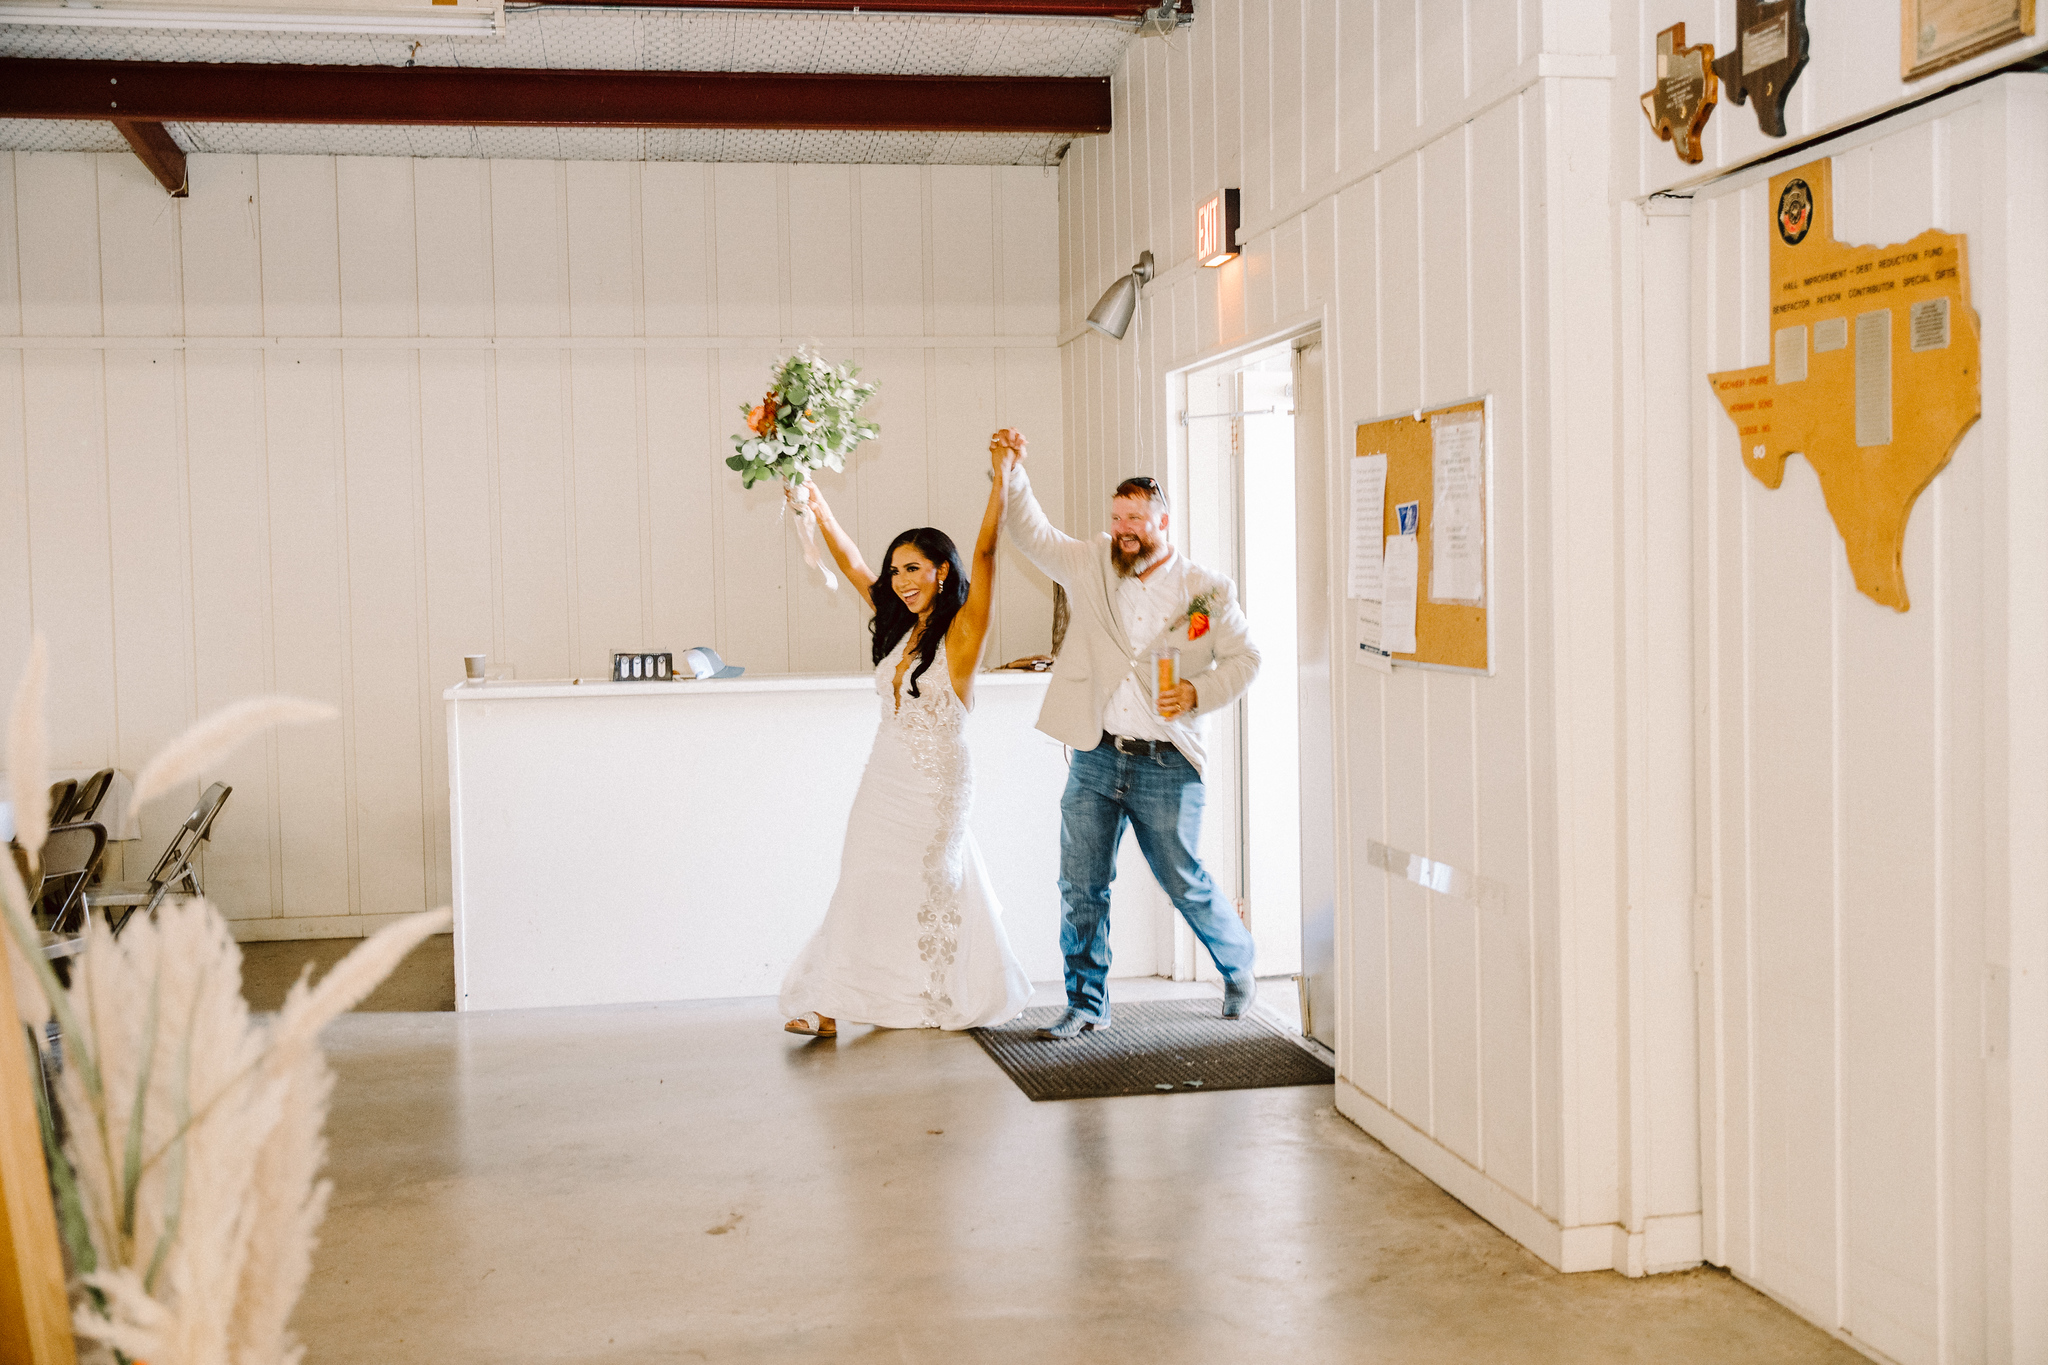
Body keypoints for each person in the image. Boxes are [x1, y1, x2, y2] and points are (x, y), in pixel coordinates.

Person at [993, 431, 1262, 1039]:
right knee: (1081, 886)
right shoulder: (1092, 562)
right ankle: (1086, 1003)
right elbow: (1033, 535)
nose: (1123, 529)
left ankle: (1238, 963)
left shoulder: (1205, 590)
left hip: (1168, 763)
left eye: (1135, 518)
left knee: (1183, 880)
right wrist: (1012, 473)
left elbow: (1246, 660)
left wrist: (1197, 693)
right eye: (1117, 518)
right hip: (1096, 755)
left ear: (1163, 520)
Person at [776, 440, 1034, 1038]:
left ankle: (932, 991)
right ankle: (833, 1003)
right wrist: (815, 504)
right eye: (895, 571)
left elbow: (986, 552)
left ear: (942, 571)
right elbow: (851, 563)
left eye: (912, 568)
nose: (899, 581)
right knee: (861, 881)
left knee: (929, 886)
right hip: (883, 776)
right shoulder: (898, 627)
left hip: (937, 784)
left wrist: (1002, 480)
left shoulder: (963, 634)